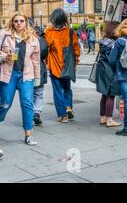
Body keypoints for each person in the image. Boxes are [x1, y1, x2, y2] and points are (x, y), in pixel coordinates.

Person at [0, 12, 40, 146]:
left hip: (26, 76)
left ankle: (28, 135)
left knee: (27, 104)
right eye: (16, 21)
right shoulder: (4, 36)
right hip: (8, 75)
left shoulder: (33, 39)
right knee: (5, 103)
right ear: (12, 22)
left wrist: (37, 79)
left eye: (21, 21)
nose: (19, 23)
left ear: (26, 22)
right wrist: (6, 56)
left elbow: (35, 61)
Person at [45, 9, 80, 123]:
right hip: (67, 65)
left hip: (55, 66)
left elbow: (46, 49)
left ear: (53, 19)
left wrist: (46, 62)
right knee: (67, 88)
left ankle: (62, 115)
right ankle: (68, 107)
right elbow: (76, 49)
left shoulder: (49, 32)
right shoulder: (70, 32)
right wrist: (75, 61)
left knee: (57, 91)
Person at [95, 22, 121, 127]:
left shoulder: (104, 42)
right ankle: (109, 120)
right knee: (111, 95)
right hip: (110, 71)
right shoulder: (114, 44)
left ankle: (103, 117)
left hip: (102, 71)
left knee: (104, 95)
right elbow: (113, 60)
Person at [33, 26, 48, 126]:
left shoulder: (27, 38)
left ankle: (30, 114)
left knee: (29, 94)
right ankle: (37, 113)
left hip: (29, 69)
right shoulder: (42, 39)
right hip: (40, 68)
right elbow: (44, 53)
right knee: (39, 93)